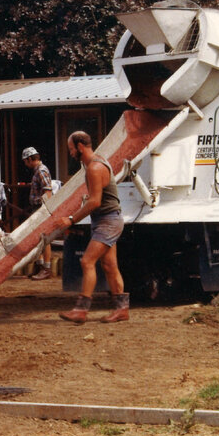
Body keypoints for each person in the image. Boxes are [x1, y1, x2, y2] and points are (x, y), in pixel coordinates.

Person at [58, 131, 129, 323]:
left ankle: (81, 310)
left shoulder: (95, 168)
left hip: (108, 221)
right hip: (106, 220)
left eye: (71, 148)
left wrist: (71, 219)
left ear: (80, 146)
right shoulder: (94, 163)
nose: (70, 152)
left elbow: (95, 201)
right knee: (109, 265)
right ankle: (122, 310)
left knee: (87, 261)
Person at [23, 146, 55, 280]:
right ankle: (40, 265)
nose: (25, 164)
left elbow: (48, 191)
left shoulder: (41, 171)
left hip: (41, 208)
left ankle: (46, 268)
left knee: (45, 238)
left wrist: (44, 210)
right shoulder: (38, 171)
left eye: (25, 161)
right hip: (37, 208)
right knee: (38, 239)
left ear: (30, 159)